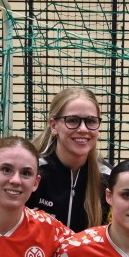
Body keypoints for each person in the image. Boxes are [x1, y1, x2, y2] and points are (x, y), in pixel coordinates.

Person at [28, 86, 108, 232]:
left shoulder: (107, 177)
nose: (83, 129)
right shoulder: (31, 170)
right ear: (54, 126)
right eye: (72, 120)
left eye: (91, 121)